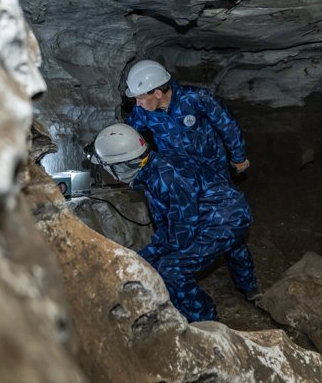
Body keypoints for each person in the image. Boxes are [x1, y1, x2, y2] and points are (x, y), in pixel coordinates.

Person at [90, 123, 261, 322]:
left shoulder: (166, 178)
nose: (107, 172)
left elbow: (181, 235)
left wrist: (142, 257)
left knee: (171, 269)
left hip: (226, 219)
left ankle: (206, 321)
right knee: (232, 244)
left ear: (122, 165)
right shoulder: (155, 167)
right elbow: (171, 224)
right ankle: (249, 286)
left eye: (107, 167)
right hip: (219, 209)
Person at [125, 60, 250, 179]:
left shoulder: (196, 98)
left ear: (157, 94)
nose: (137, 104)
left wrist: (239, 157)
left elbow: (227, 125)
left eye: (140, 98)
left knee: (220, 199)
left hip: (212, 166)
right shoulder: (141, 112)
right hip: (178, 174)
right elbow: (129, 135)